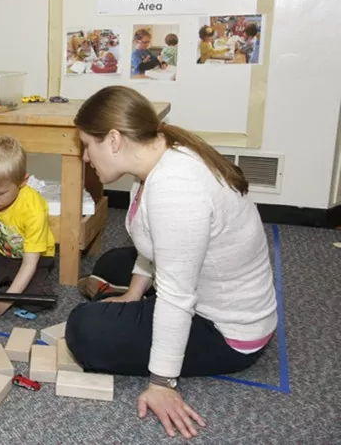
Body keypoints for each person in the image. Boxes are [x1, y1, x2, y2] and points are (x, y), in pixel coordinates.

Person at [67, 86, 277, 439]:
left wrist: (163, 382)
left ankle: (138, 330)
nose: (86, 157)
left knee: (84, 329)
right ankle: (129, 299)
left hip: (227, 332)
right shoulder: (157, 159)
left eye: (88, 145)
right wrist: (133, 296)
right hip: (209, 291)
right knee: (112, 263)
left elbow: (178, 297)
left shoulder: (176, 189)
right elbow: (152, 248)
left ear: (114, 140)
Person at [0, 135, 56, 321]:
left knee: (38, 298)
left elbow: (30, 263)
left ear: (23, 182)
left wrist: (4, 303)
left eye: (0, 193)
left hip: (35, 257)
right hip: (0, 251)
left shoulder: (34, 208)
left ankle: (9, 290)